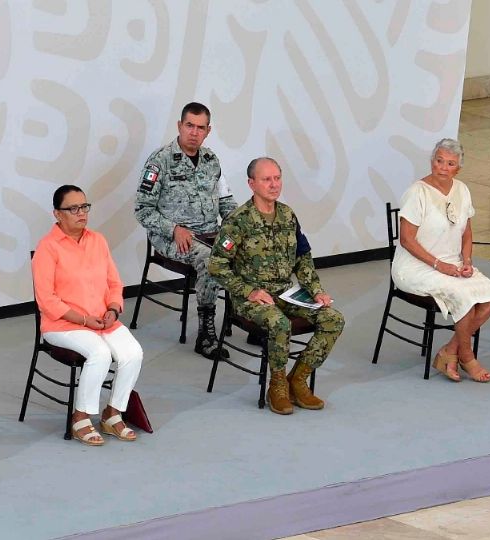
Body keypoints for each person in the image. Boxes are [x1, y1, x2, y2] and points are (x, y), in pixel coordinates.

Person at [208, 157, 344, 415]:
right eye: (266, 179)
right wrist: (249, 291)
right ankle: (277, 384)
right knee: (279, 323)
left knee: (333, 318)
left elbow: (303, 257)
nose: (274, 185)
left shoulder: (287, 215)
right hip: (251, 297)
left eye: (277, 178)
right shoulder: (238, 221)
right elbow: (217, 266)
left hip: (286, 292)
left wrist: (316, 289)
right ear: (251, 184)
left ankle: (298, 378)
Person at [33, 185, 143, 446]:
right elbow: (46, 301)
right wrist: (83, 320)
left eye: (84, 207)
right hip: (63, 325)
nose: (81, 213)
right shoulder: (47, 248)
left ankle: (113, 413)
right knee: (100, 354)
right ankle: (80, 416)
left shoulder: (98, 241)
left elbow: (115, 284)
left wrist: (113, 309)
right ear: (57, 214)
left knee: (133, 353)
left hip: (102, 320)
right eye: (73, 208)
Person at [391, 139, 490, 382]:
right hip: (414, 266)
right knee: (464, 298)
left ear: (458, 169)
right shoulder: (417, 192)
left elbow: (467, 231)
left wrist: (468, 261)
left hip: (452, 262)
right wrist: (439, 266)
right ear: (432, 162)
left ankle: (448, 351)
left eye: (450, 163)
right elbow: (407, 240)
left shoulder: (462, 190)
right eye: (439, 160)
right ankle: (467, 356)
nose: (442, 167)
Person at [134, 102, 238, 360]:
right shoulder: (160, 161)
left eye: (200, 127)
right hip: (173, 238)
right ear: (180, 126)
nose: (194, 132)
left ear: (208, 130)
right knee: (211, 260)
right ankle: (206, 334)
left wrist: (240, 228)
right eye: (189, 125)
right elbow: (142, 209)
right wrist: (173, 229)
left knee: (250, 249)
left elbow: (226, 201)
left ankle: (249, 318)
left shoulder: (212, 160)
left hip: (211, 234)